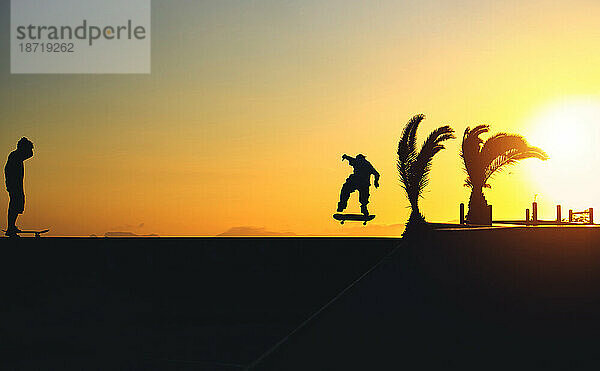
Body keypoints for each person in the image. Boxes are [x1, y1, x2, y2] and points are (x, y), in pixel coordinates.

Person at [5, 137, 34, 237]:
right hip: (14, 185)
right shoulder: (15, 156)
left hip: (15, 185)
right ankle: (11, 227)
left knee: (17, 204)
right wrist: (10, 184)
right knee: (15, 205)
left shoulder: (17, 156)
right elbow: (7, 170)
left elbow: (30, 155)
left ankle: (11, 226)